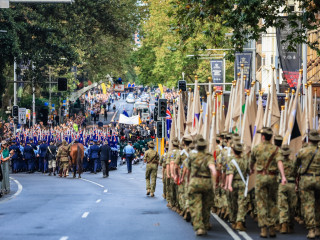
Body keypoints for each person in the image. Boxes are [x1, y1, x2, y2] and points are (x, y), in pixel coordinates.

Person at [250, 127, 287, 238]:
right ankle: (271, 229)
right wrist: (283, 176)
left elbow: (251, 163)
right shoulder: (276, 149)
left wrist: (251, 169)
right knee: (272, 202)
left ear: (263, 137)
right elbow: (280, 162)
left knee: (261, 203)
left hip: (260, 177)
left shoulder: (256, 148)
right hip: (272, 178)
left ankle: (263, 230)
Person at [187, 137, 217, 236]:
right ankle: (206, 223)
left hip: (195, 181)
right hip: (207, 182)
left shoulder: (192, 156)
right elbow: (213, 170)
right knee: (206, 205)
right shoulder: (208, 156)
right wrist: (214, 183)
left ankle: (199, 227)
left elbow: (187, 170)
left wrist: (188, 181)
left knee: (196, 206)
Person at [296, 130, 320, 239]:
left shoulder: (302, 151)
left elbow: (295, 165)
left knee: (308, 205)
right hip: (319, 179)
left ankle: (311, 230)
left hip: (306, 179)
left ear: (309, 139)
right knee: (318, 204)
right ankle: (318, 228)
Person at [227, 142, 249, 231]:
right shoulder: (245, 160)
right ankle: (240, 222)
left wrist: (229, 185)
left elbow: (230, 174)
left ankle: (233, 221)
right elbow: (248, 171)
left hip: (233, 184)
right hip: (242, 184)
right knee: (241, 204)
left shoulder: (231, 160)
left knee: (233, 203)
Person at [277, 144, 297, 234]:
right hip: (292, 184)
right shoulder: (293, 162)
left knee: (282, 205)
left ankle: (284, 225)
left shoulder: (279, 163)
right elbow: (297, 173)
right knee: (292, 206)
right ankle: (290, 224)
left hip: (282, 184)